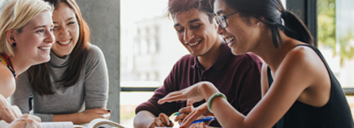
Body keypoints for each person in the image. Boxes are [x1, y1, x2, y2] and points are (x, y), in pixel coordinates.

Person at [159, 0, 354, 127]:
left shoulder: (299, 59)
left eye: (223, 19)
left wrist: (207, 90)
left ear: (257, 18)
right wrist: (213, 112)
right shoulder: (267, 68)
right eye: (216, 20)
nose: (218, 30)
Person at [133, 0, 263, 127]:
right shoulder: (183, 66)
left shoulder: (248, 65)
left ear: (216, 22)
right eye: (180, 29)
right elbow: (143, 113)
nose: (187, 37)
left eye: (196, 26)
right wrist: (151, 123)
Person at [10, 0, 110, 124]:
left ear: (79, 22)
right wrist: (80, 117)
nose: (65, 33)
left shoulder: (92, 56)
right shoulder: (28, 58)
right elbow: (20, 119)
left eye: (71, 23)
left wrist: (84, 118)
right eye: (54, 27)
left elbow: (96, 118)